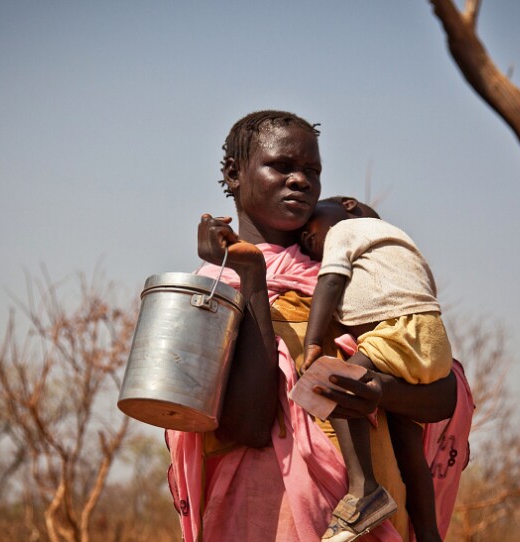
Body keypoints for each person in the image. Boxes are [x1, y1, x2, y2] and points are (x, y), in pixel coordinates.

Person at [165, 110, 474, 542]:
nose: (300, 180)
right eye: (282, 166)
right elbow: (249, 425)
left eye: (312, 170)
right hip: (265, 521)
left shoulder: (357, 276)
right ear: (234, 174)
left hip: (377, 523)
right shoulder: (214, 289)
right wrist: (253, 276)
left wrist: (383, 392)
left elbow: (439, 390)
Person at [299, 197, 452, 542]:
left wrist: (311, 342)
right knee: (408, 446)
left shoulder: (346, 229)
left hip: (398, 329)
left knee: (334, 382)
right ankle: (429, 533)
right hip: (431, 339)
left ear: (348, 205)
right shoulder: (399, 244)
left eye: (311, 229)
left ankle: (364, 489)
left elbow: (331, 281)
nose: (307, 239)